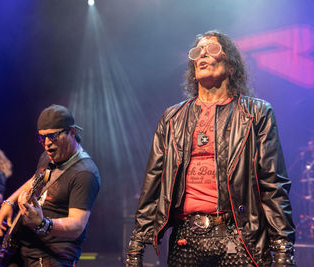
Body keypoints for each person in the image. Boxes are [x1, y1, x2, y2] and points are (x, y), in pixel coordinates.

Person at [126, 30, 295, 267]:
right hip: (187, 238)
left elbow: (272, 183)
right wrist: (136, 247)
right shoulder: (173, 118)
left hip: (239, 236)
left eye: (212, 49)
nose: (203, 55)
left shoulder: (256, 113)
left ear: (232, 66)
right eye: (197, 52)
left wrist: (283, 249)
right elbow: (153, 182)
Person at [0, 104, 100, 267]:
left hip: (51, 258)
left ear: (72, 132)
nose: (46, 143)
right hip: (23, 250)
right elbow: (35, 179)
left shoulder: (85, 173)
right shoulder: (48, 156)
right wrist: (10, 201)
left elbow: (77, 225)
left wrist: (43, 223)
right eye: (42, 137)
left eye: (53, 136)